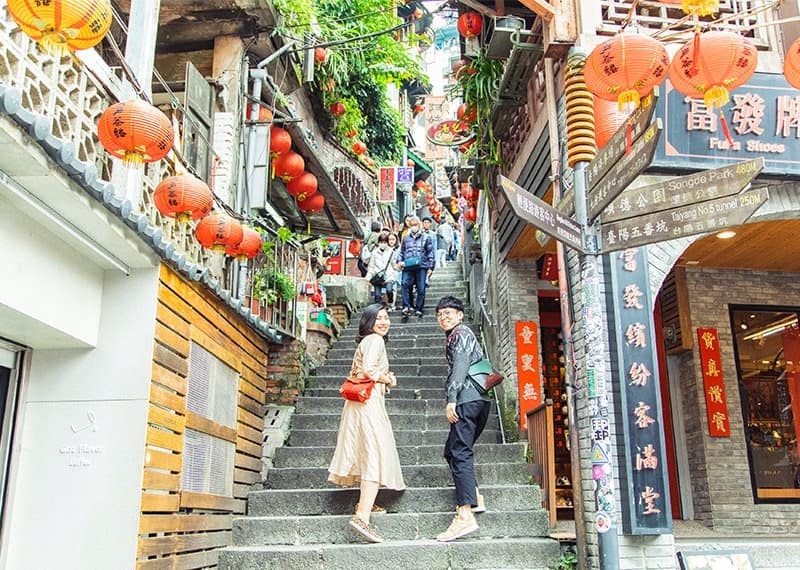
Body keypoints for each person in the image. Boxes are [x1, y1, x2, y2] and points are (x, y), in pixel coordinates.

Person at [328, 304, 405, 543]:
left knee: (367, 452)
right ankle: (362, 517)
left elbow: (363, 372)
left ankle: (366, 504)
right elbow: (370, 370)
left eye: (386, 317)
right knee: (375, 454)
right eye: (378, 318)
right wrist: (388, 378)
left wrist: (384, 380)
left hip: (360, 404)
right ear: (368, 322)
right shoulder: (375, 340)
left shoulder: (367, 341)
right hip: (368, 406)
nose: (384, 322)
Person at [434, 295, 491, 542]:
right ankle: (474, 496)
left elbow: (460, 365)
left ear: (460, 315)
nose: (443, 317)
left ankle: (465, 514)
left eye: (448, 313)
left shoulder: (460, 334)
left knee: (459, 452)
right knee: (453, 450)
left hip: (466, 400)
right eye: (440, 314)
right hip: (479, 399)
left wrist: (452, 398)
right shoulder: (460, 334)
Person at [396, 215, 435, 317]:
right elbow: (402, 252)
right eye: (412, 225)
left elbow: (430, 253)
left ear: (419, 225)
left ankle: (419, 308)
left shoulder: (426, 237)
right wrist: (399, 261)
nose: (413, 227)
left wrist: (431, 267)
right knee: (404, 284)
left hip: (421, 266)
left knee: (421, 288)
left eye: (415, 225)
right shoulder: (406, 238)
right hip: (408, 265)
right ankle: (406, 306)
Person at [365, 231, 394, 305]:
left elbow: (394, 264)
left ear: (387, 243)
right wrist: (368, 278)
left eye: (384, 242)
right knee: (377, 296)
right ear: (378, 243)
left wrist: (399, 267)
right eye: (381, 242)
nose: (383, 244)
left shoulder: (391, 252)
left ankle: (390, 301)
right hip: (377, 276)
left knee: (389, 290)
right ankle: (378, 309)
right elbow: (371, 266)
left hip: (388, 276)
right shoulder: (374, 253)